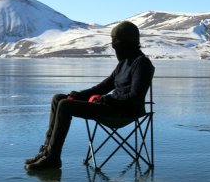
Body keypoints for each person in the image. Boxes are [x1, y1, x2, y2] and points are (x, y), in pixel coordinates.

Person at [25, 21, 154, 170]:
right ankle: (47, 152)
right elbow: (103, 87)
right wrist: (79, 95)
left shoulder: (142, 63)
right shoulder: (124, 63)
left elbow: (135, 98)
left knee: (65, 106)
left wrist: (107, 99)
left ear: (127, 41)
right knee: (59, 99)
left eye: (115, 41)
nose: (113, 45)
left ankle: (53, 158)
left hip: (124, 112)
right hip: (110, 106)